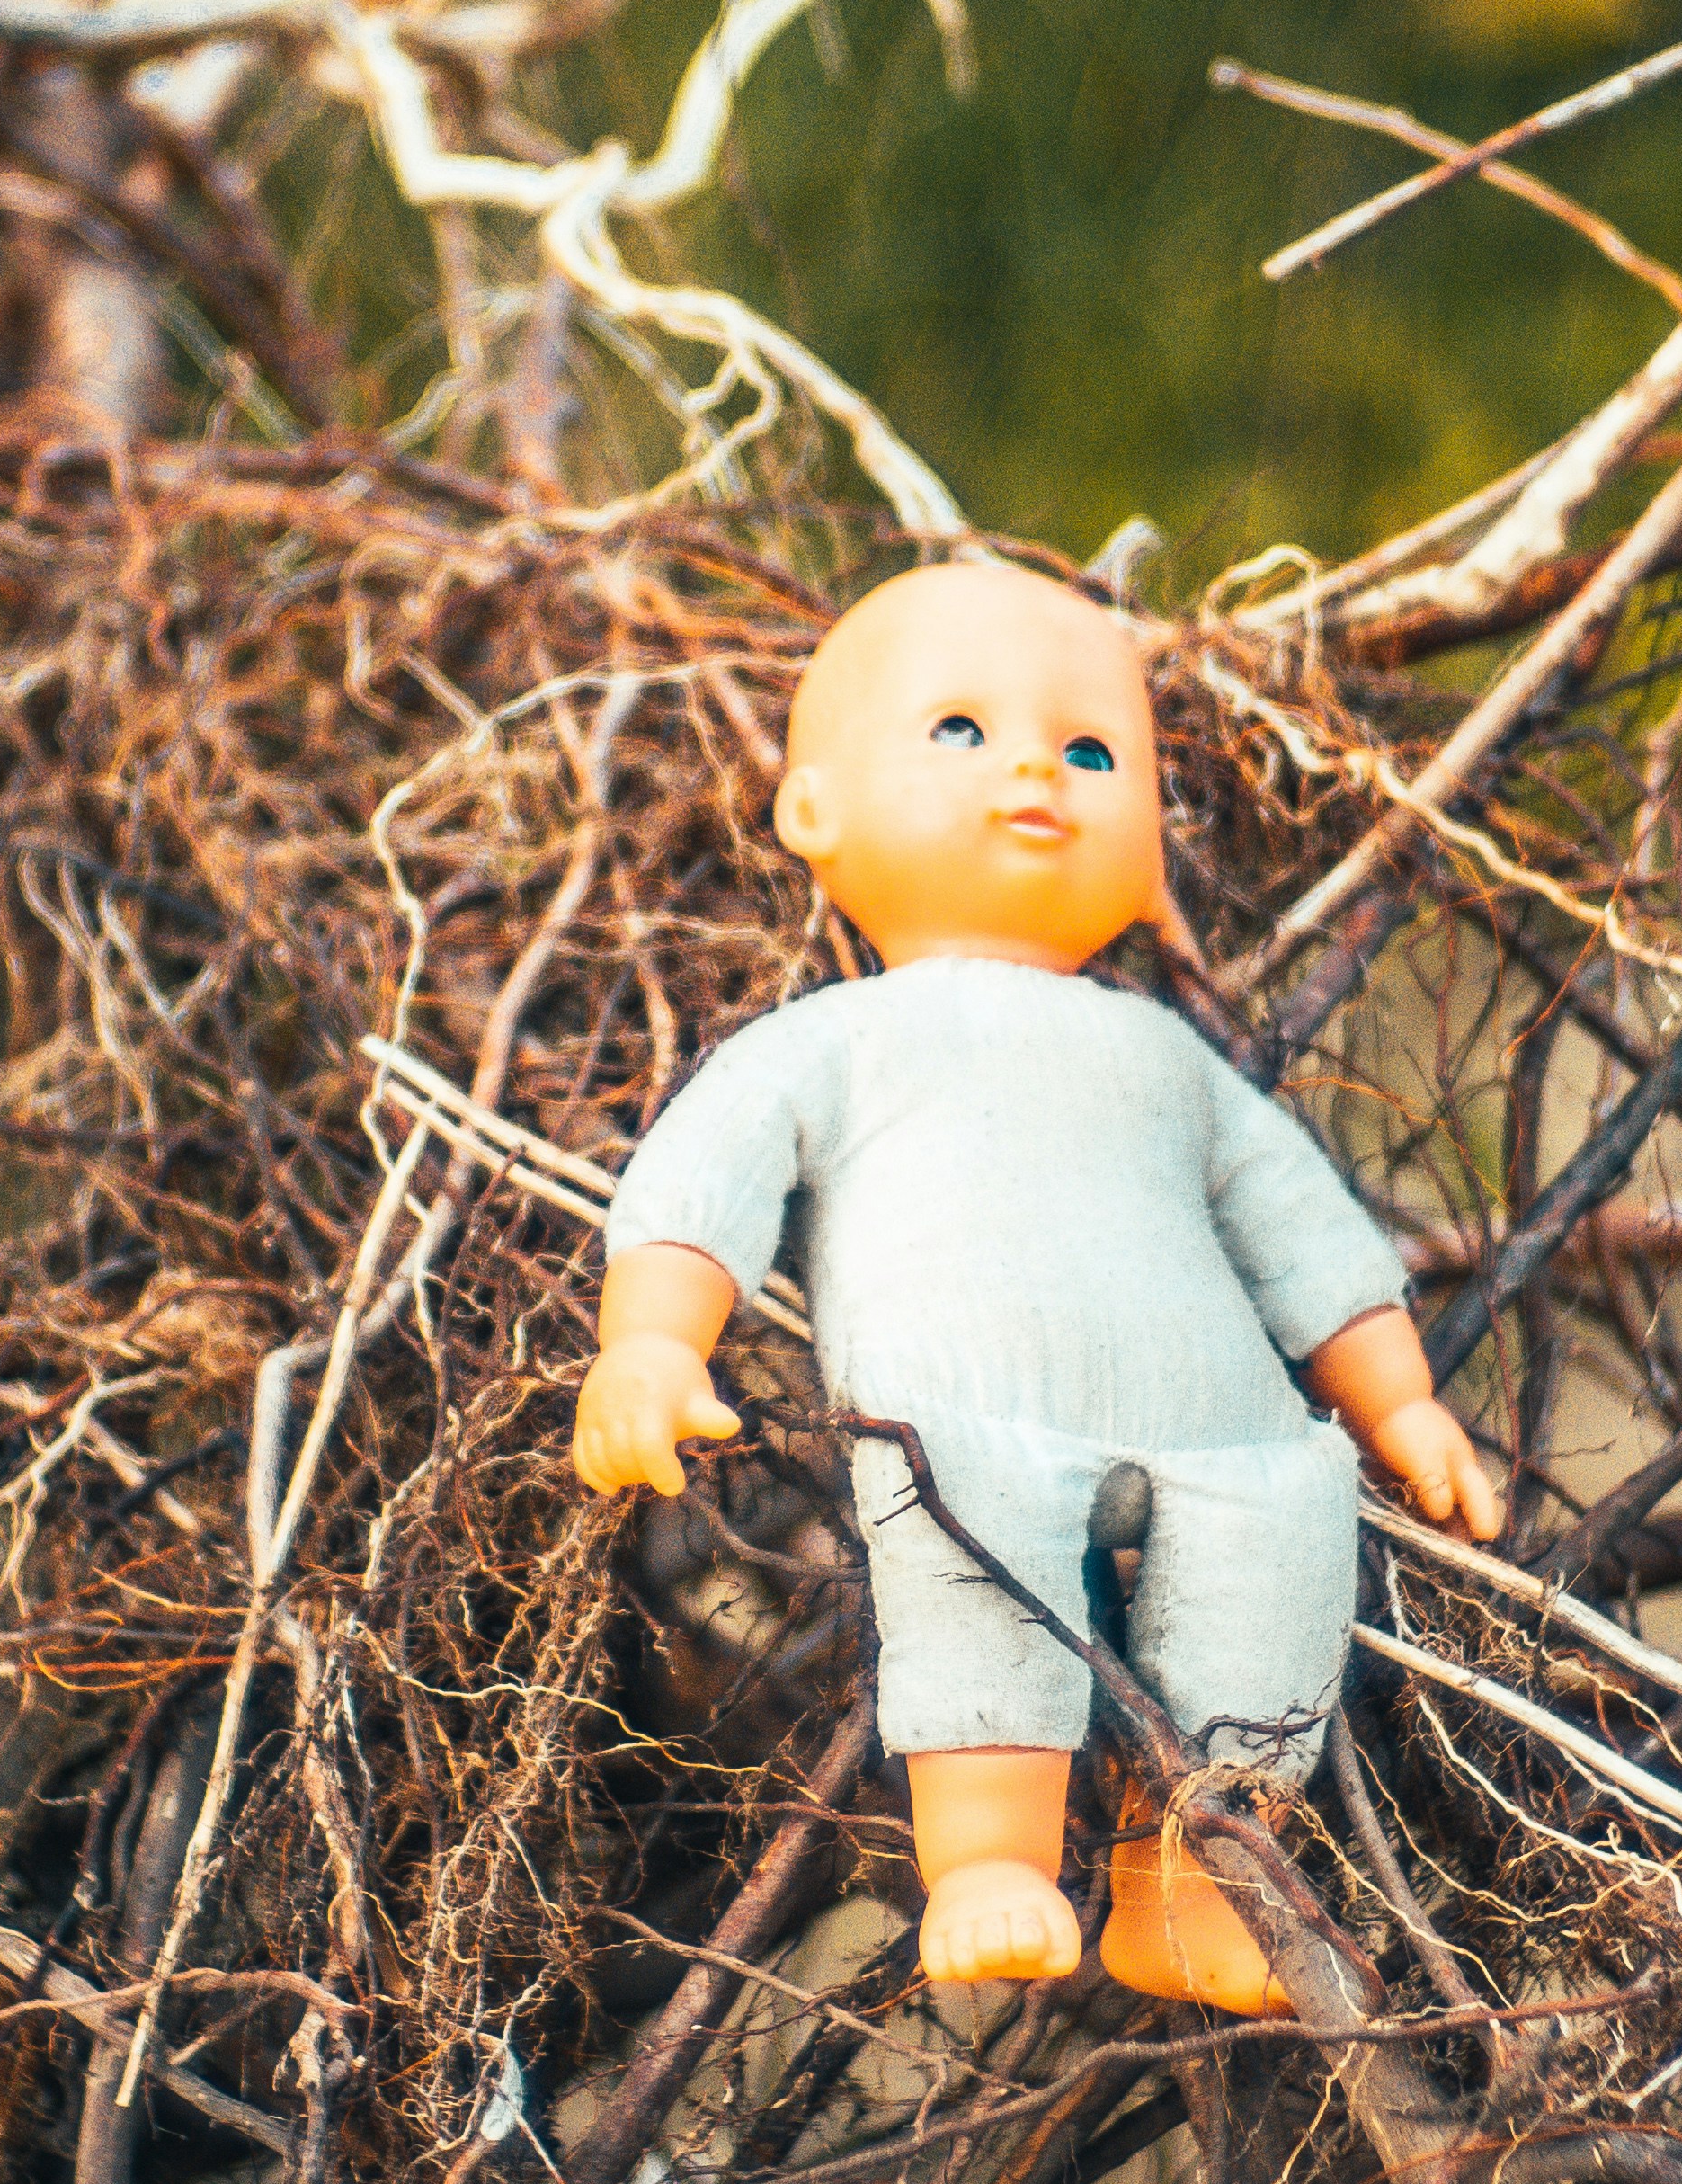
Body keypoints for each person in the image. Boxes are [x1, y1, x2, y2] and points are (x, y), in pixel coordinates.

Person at [572, 559, 1500, 2011]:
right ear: (815, 811)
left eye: (1088, 750)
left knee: (1281, 1547)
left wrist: (1398, 1400)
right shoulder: (838, 1039)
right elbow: (706, 1182)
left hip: (1229, 1430)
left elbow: (1297, 1225)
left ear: (1147, 848)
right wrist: (647, 1347)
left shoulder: (1166, 1060)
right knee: (972, 1565)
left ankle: (1187, 1886)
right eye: (959, 731)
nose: (1033, 770)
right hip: (969, 1421)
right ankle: (988, 1856)